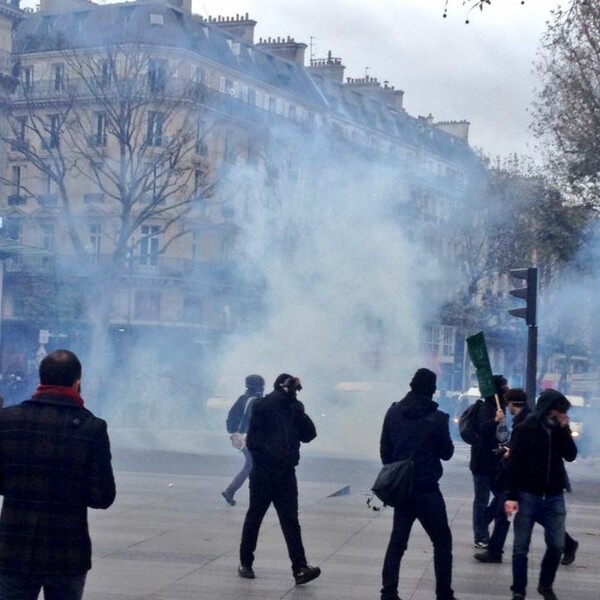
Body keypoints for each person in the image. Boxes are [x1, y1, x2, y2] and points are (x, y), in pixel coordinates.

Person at [0, 349, 116, 600]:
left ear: (40, 380)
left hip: (14, 549)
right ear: (77, 382)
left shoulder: (7, 420)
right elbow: (103, 496)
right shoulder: (91, 428)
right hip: (66, 551)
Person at [379, 368, 457, 600]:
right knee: (442, 541)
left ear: (411, 386)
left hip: (402, 490)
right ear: (432, 390)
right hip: (427, 490)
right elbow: (447, 453)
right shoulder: (437, 418)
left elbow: (385, 451)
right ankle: (444, 594)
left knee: (397, 543)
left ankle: (388, 592)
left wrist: (399, 472)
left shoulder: (392, 412)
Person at [238, 373, 321, 585]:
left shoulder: (290, 407)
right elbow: (255, 440)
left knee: (278, 520)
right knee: (269, 519)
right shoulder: (270, 406)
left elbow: (309, 434)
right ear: (284, 387)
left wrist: (300, 411)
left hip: (277, 472)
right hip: (272, 472)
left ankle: (296, 568)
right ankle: (251, 563)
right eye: (293, 387)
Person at [505, 389, 578, 600]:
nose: (560, 415)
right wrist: (511, 495)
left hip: (554, 494)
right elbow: (515, 464)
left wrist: (565, 430)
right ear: (548, 409)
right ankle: (518, 591)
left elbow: (571, 455)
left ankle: (545, 584)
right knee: (521, 547)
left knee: (556, 546)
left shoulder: (559, 430)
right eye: (558, 411)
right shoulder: (525, 429)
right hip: (529, 493)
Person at [475, 387, 530, 563]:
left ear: (512, 403)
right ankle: (494, 549)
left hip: (517, 477)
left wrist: (508, 452)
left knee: (505, 512)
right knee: (502, 512)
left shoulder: (523, 423)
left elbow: (521, 448)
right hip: (516, 476)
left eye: (508, 403)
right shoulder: (525, 419)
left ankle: (494, 549)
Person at [468, 374, 508, 549]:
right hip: (482, 461)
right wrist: (495, 421)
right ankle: (481, 535)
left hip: (496, 461)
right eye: (504, 387)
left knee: (501, 495)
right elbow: (483, 432)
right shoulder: (485, 409)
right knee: (482, 499)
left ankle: (483, 521)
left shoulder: (500, 408)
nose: (507, 391)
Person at [222, 374, 265, 506]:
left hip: (241, 436)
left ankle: (231, 491)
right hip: (247, 437)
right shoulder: (254, 401)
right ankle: (234, 491)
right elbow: (253, 421)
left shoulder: (243, 398)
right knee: (254, 464)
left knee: (252, 464)